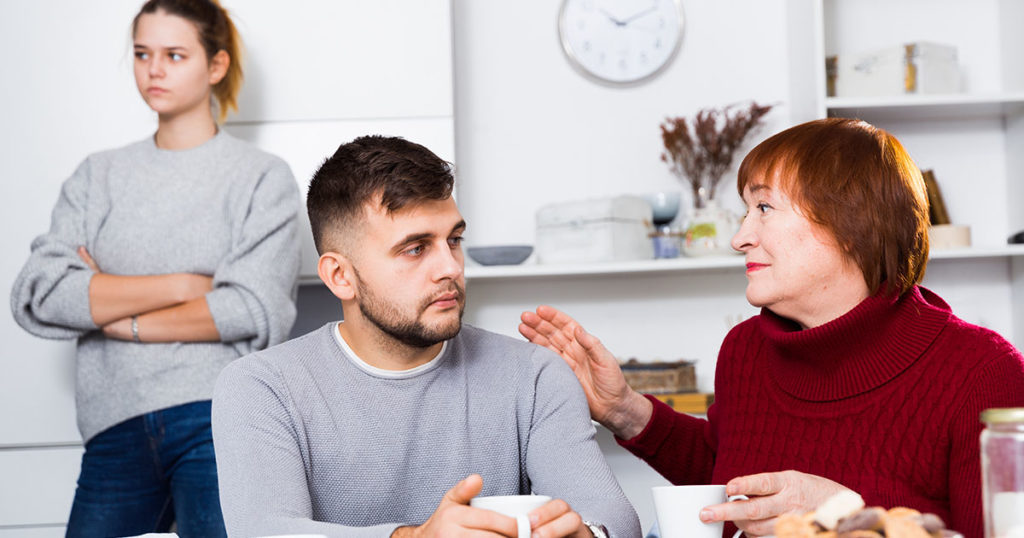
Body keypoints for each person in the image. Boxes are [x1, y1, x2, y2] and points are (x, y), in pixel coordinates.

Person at [519, 118, 1024, 538]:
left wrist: (849, 514)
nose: (740, 237)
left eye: (763, 208)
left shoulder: (984, 373)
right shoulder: (745, 349)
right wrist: (624, 411)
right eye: (746, 211)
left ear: (851, 224)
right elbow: (732, 479)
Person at [211, 135, 640, 538]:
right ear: (340, 276)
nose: (450, 268)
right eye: (415, 248)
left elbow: (612, 517)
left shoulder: (534, 374)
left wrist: (587, 534)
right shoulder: (261, 387)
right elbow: (266, 531)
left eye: (454, 240)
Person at [10, 1, 300, 536]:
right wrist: (184, 285)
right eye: (142, 54)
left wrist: (113, 313)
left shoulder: (261, 177)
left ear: (215, 65)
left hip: (215, 414)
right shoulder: (98, 175)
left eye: (174, 55)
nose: (154, 70)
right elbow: (42, 293)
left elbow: (252, 308)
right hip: (113, 422)